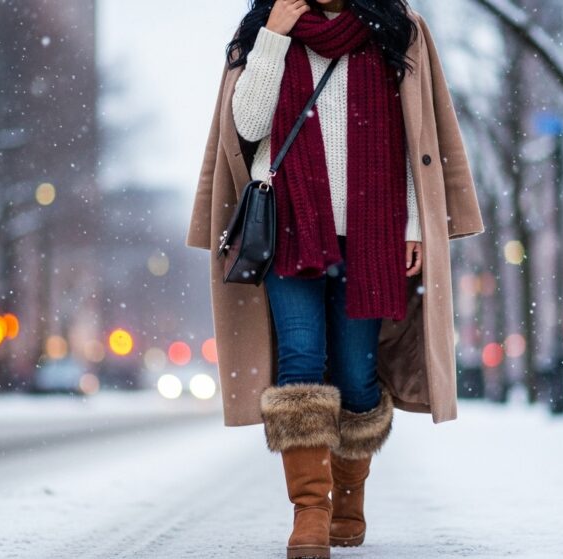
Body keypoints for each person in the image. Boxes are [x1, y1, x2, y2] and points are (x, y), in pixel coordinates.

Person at [188, 0, 484, 556]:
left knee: (356, 374)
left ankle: (349, 500)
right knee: (300, 359)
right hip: (290, 225)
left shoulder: (397, 29)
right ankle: (311, 513)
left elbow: (411, 138)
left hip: (373, 230)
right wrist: (274, 37)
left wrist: (416, 226)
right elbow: (248, 125)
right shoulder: (264, 29)